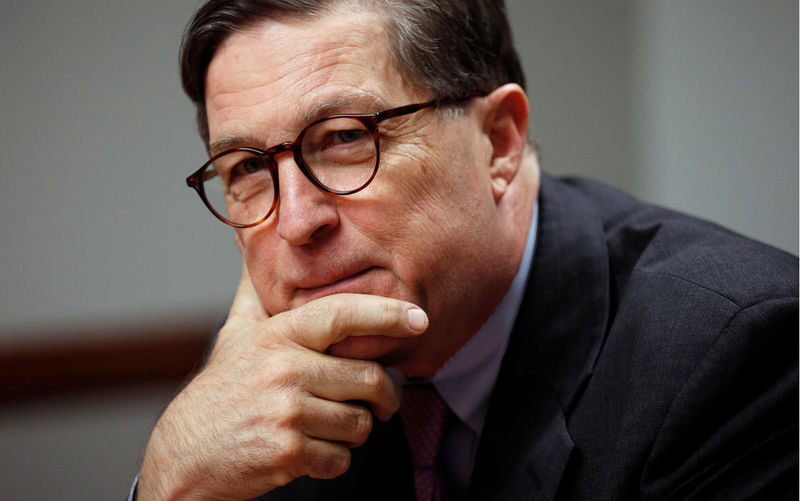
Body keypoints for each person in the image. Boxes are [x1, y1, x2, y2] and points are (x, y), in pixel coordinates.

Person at [133, 1, 798, 499]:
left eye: (343, 137)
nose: (296, 223)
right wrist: (168, 480)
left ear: (499, 143)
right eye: (248, 167)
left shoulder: (732, 355)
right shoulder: (265, 380)